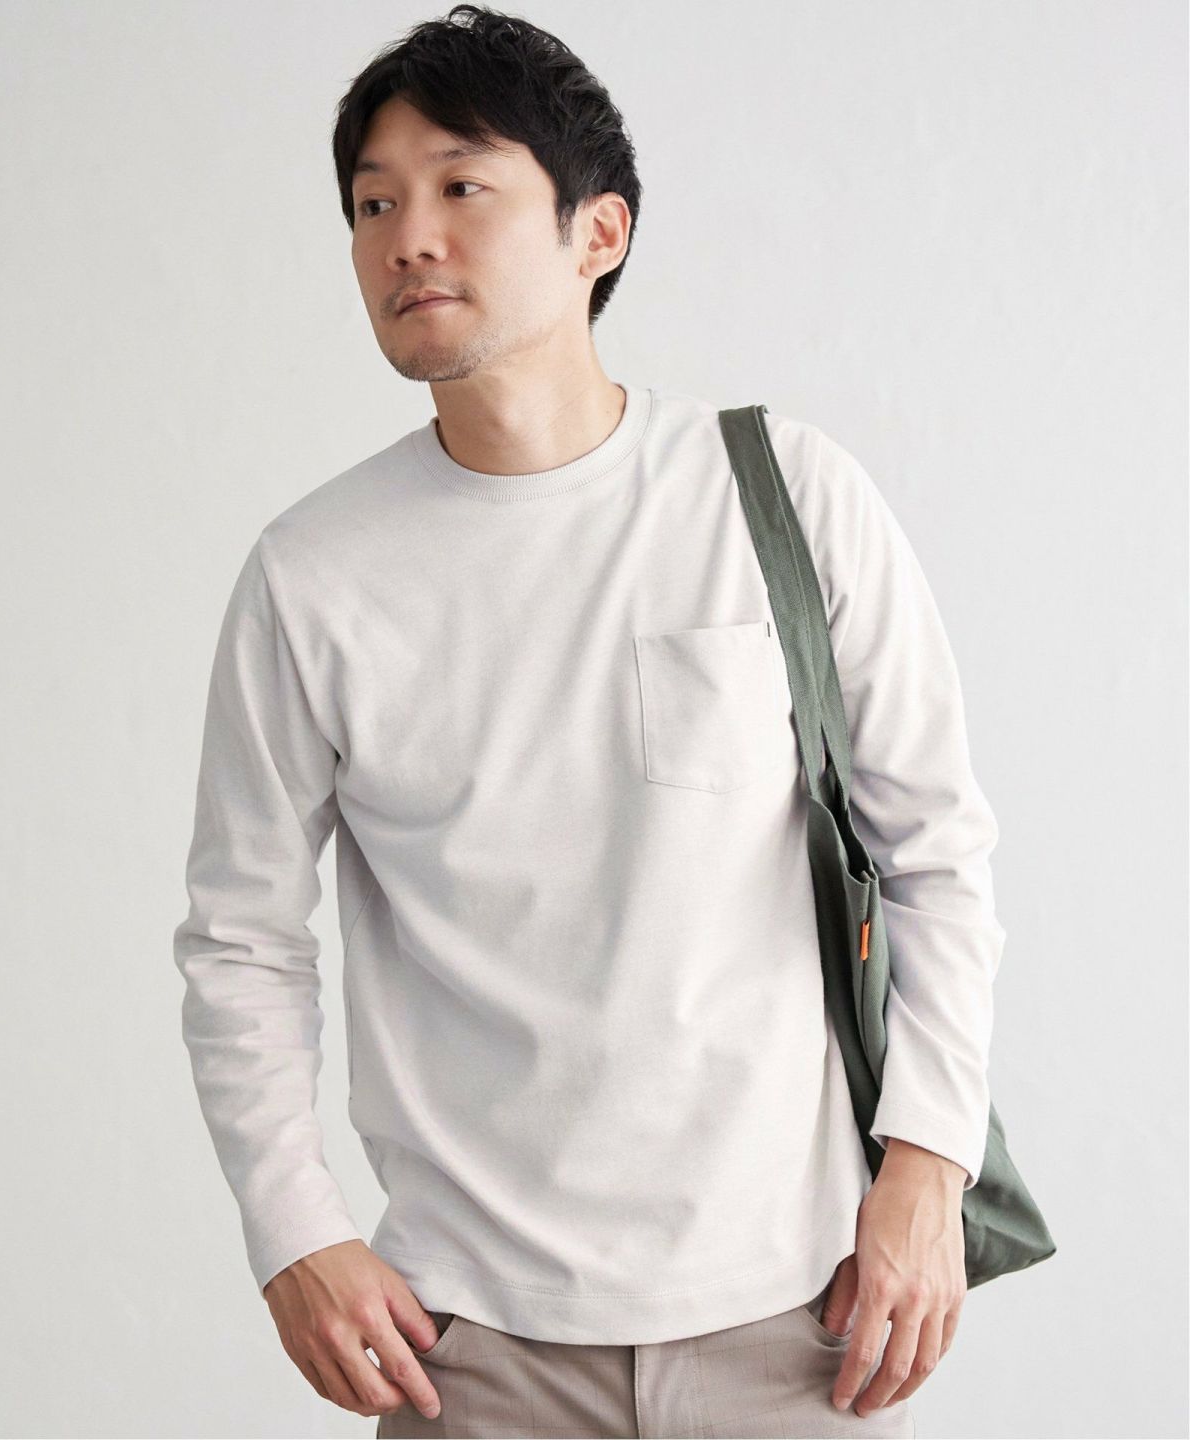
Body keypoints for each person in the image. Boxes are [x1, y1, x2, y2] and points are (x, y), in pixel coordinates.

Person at [173, 7, 1005, 1436]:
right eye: (373, 204)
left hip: (800, 1320)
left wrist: (930, 1164)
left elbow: (933, 850)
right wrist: (294, 1230)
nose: (408, 238)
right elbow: (241, 935)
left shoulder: (781, 493)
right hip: (471, 1345)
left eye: (461, 185)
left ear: (597, 232)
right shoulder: (314, 575)